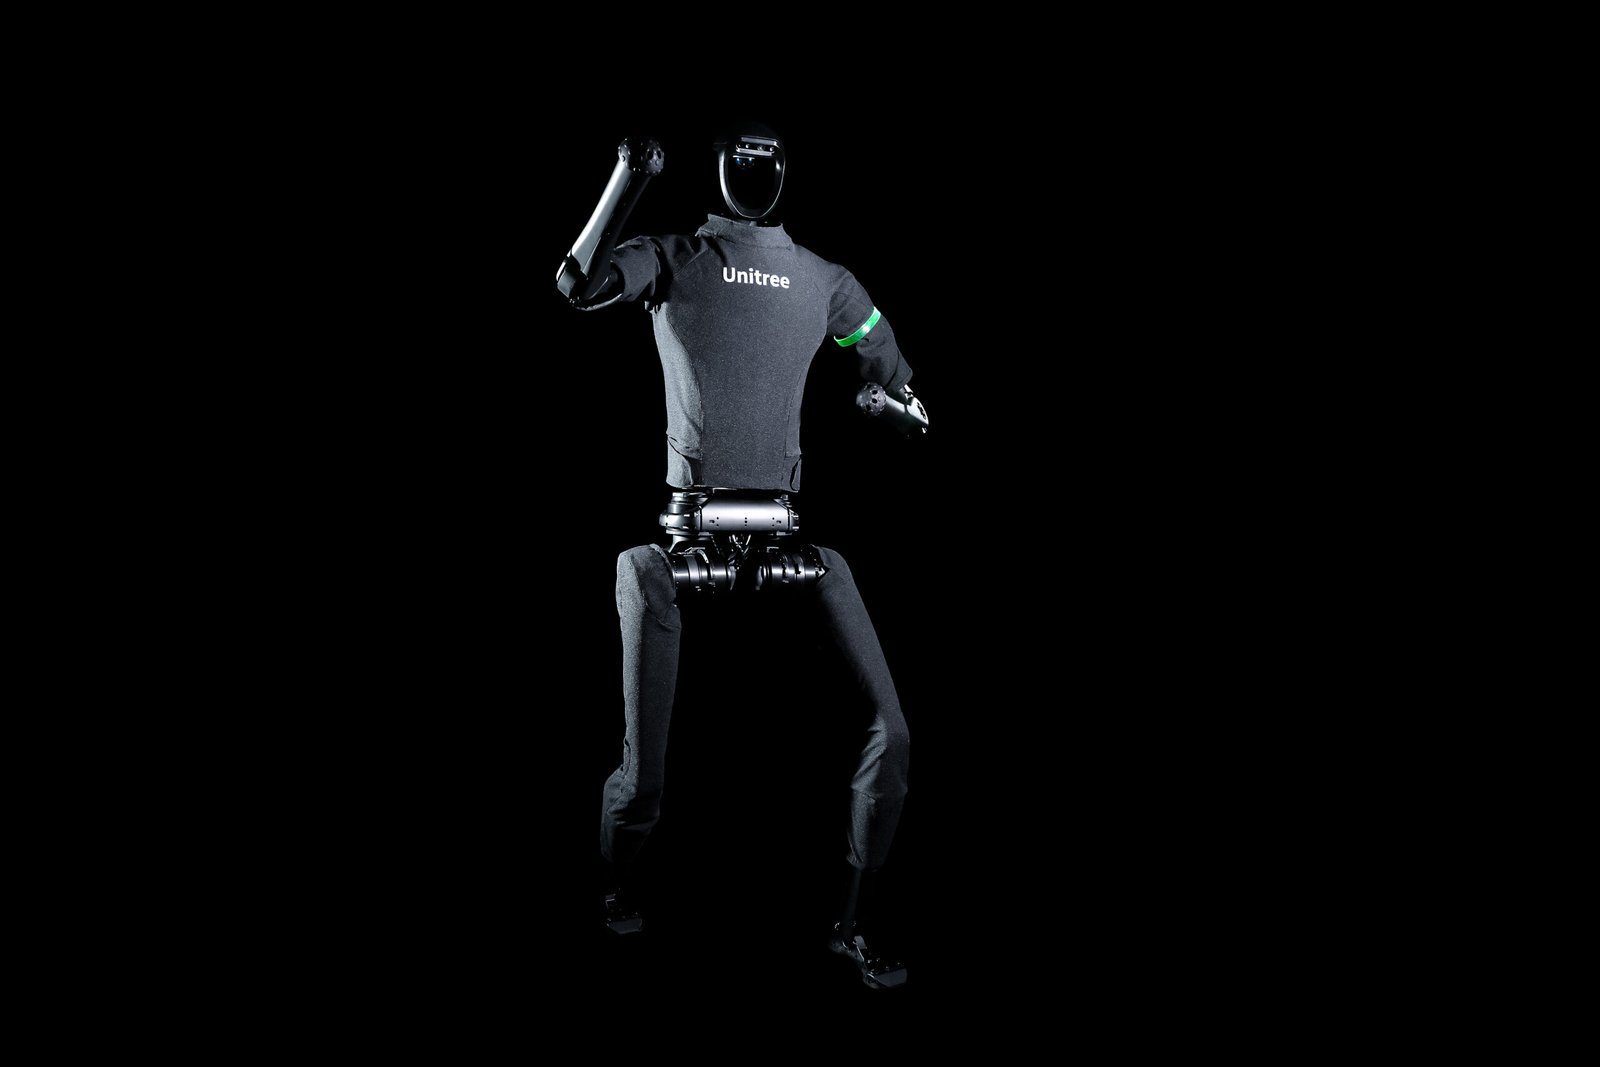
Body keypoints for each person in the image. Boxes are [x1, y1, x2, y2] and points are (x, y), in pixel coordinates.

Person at [557, 124, 928, 989]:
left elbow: (578, 282)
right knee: (657, 728)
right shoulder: (809, 277)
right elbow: (904, 392)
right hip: (703, 547)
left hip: (765, 545)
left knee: (886, 729)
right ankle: (619, 888)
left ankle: (842, 923)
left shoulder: (682, 258)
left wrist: (627, 179)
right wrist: (892, 404)